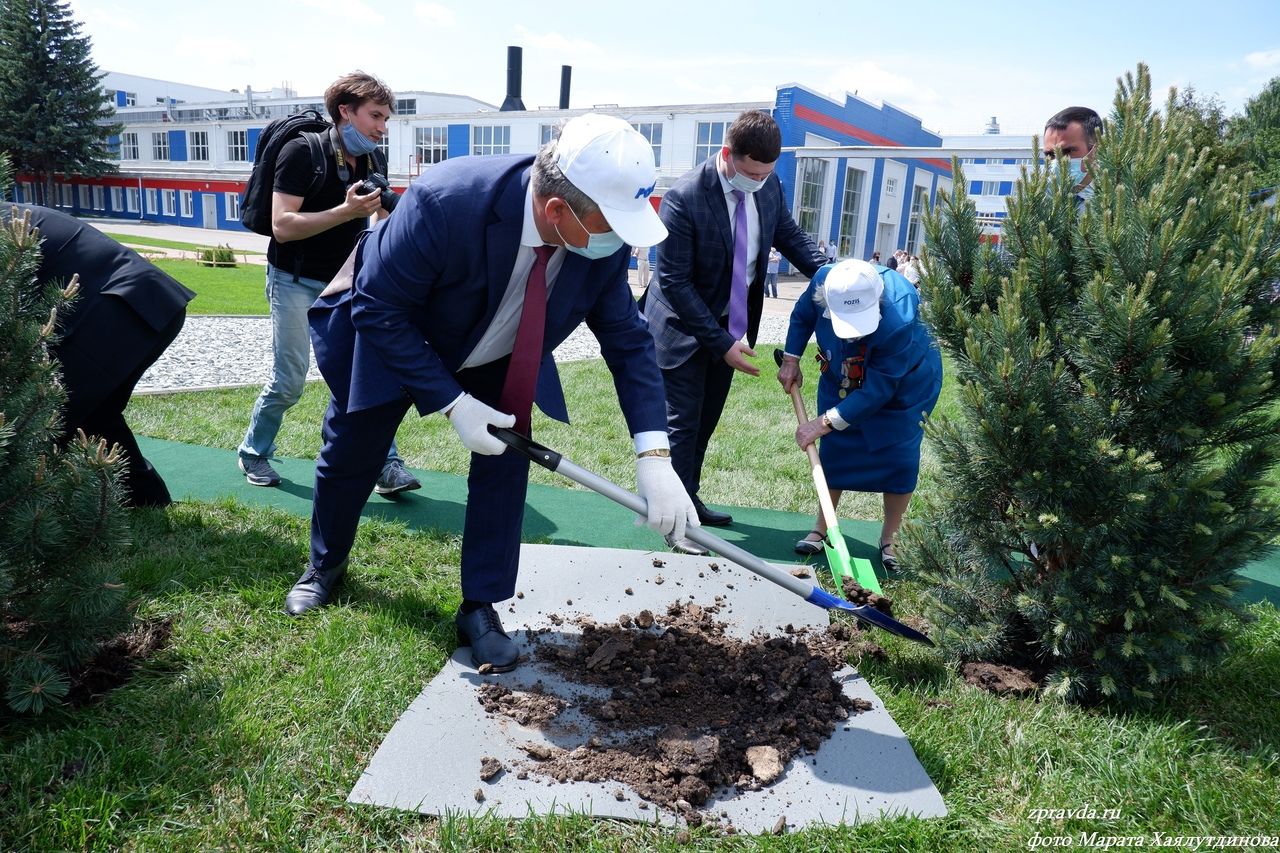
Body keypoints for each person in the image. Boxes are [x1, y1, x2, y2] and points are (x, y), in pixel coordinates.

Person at [293, 114, 695, 672]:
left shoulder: (599, 241)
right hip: (397, 332)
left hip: (499, 345)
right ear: (556, 211)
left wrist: (654, 457)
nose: (623, 239)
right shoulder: (447, 200)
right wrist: (453, 403)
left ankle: (479, 604)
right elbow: (378, 307)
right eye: (613, 224)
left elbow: (628, 344)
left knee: (507, 459)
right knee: (352, 453)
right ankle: (325, 564)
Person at [643, 109, 825, 555]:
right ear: (727, 154)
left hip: (732, 325)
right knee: (682, 425)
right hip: (681, 328)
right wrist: (721, 343)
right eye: (750, 173)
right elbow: (675, 283)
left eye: (766, 174)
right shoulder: (684, 196)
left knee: (705, 422)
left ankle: (689, 498)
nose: (758, 182)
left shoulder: (769, 186)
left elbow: (789, 235)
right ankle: (676, 524)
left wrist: (831, 277)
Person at [236, 71, 420, 496]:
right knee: (289, 379)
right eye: (375, 116)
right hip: (295, 280)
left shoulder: (374, 158)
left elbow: (379, 223)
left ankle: (385, 464)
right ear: (345, 111)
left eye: (386, 118)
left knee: (363, 377)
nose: (382, 127)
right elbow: (283, 226)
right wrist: (344, 210)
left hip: (347, 285)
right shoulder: (304, 152)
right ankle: (253, 451)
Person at [2, 202, 194, 507]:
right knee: (95, 415)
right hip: (148, 301)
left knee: (43, 418)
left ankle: (30, 509)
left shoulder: (7, 226)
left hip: (124, 308)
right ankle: (146, 499)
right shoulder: (9, 213)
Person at [777, 258, 942, 573]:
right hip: (841, 371)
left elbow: (879, 390)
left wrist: (822, 423)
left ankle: (891, 538)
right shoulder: (824, 281)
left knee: (898, 453)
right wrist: (791, 358)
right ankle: (822, 529)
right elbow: (801, 316)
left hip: (905, 383)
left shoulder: (901, 314)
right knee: (837, 445)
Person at [1042, 106, 1102, 208]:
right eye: (1050, 155)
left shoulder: (1116, 208)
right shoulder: (1038, 209)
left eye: (1067, 152)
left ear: (1096, 150)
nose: (1056, 162)